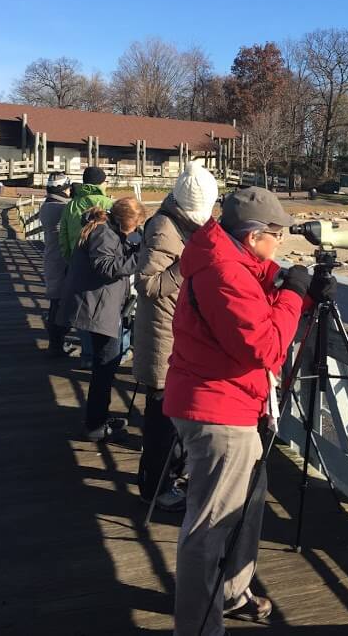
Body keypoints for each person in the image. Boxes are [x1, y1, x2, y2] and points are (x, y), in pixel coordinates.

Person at [163, 186, 336, 635]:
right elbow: (265, 346)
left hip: (230, 399)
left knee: (241, 509)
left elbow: (254, 305)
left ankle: (231, 593)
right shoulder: (224, 271)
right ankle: (199, 627)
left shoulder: (229, 258)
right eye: (276, 235)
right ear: (255, 235)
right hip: (218, 408)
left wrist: (304, 292)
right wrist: (295, 296)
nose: (280, 244)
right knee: (210, 524)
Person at [133, 160, 218, 509]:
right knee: (162, 422)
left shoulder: (177, 223)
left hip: (175, 333)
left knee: (172, 418)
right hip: (162, 337)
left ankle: (165, 478)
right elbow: (148, 282)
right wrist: (189, 264)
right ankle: (156, 489)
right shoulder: (164, 228)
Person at [59, 197, 147, 441]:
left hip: (100, 305)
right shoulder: (103, 233)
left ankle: (98, 417)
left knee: (106, 363)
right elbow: (106, 267)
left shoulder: (105, 229)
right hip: (97, 308)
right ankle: (95, 424)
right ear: (122, 221)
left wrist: (136, 242)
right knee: (105, 365)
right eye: (135, 224)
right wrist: (141, 257)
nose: (137, 228)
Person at [58, 166, 114, 368]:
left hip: (77, 265)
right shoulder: (110, 205)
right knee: (105, 310)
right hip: (105, 266)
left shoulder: (71, 206)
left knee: (82, 311)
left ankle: (87, 355)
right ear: (101, 183)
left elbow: (62, 238)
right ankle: (105, 357)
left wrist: (70, 259)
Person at [38, 172, 73, 358]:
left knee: (56, 303)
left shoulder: (47, 206)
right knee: (59, 305)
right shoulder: (61, 208)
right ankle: (56, 345)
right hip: (61, 262)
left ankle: (56, 343)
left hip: (52, 259)